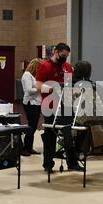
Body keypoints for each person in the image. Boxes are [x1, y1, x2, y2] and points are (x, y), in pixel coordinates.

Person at [35, 43, 84, 172]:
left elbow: (69, 85)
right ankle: (48, 164)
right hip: (50, 107)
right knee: (50, 136)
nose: (64, 59)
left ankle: (72, 163)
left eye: (66, 56)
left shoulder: (67, 67)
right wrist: (52, 88)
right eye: (62, 56)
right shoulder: (44, 66)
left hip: (66, 106)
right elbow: (38, 85)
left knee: (69, 136)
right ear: (55, 52)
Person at [21, 58, 42, 155]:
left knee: (34, 126)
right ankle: (25, 148)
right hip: (30, 103)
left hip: (37, 103)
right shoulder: (27, 75)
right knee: (31, 125)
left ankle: (29, 147)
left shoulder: (35, 76)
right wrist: (41, 88)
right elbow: (29, 90)